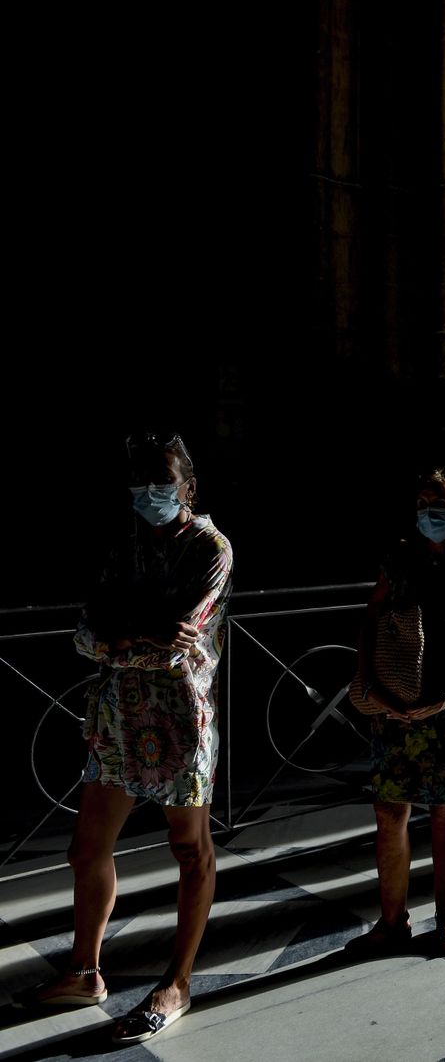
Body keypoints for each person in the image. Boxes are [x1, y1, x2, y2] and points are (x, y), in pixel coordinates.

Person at [17, 434, 233, 1046]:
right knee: (87, 849)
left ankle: (178, 982)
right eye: (138, 486)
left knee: (190, 849)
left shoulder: (212, 548)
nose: (148, 496)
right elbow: (85, 633)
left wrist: (120, 636)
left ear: (189, 487)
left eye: (161, 484)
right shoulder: (125, 546)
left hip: (178, 720)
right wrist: (124, 637)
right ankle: (86, 970)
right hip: (116, 718)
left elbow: (178, 640)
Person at [344, 470, 445, 958]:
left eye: (439, 504)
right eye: (422, 503)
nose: (428, 513)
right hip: (397, 699)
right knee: (389, 809)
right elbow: (370, 617)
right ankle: (392, 921)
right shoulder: (401, 559)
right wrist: (368, 682)